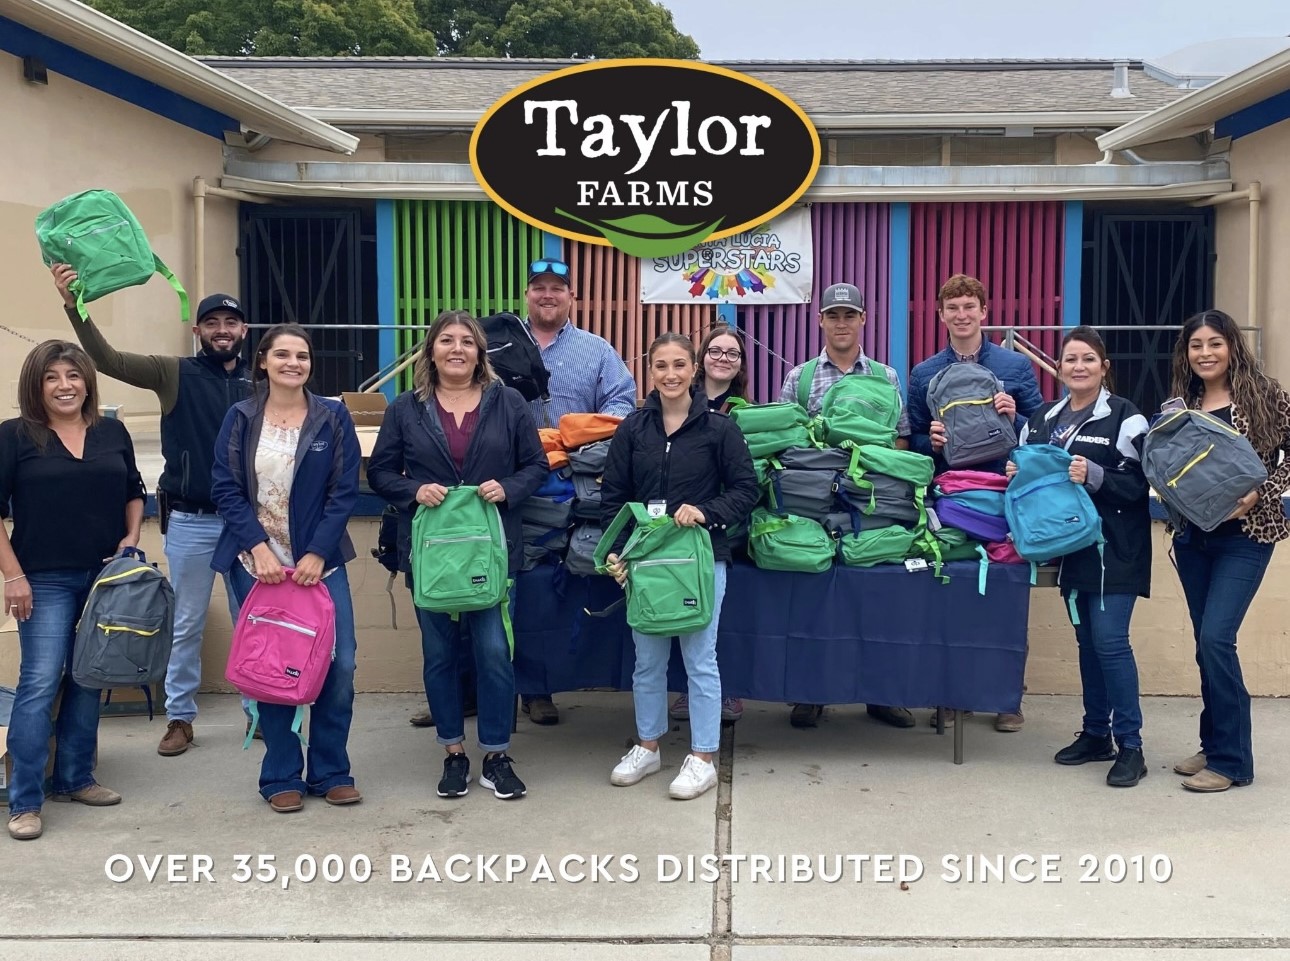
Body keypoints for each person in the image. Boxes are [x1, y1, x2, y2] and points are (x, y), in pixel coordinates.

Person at [51, 265, 254, 755]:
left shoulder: (263, 378)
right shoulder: (173, 373)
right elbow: (105, 358)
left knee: (257, 620)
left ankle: (262, 711)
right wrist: (74, 305)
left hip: (250, 526)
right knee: (184, 623)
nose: (222, 330)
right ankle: (180, 717)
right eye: (212, 322)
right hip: (190, 521)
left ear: (243, 330)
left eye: (231, 322)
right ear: (197, 330)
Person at [368, 311, 547, 800]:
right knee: (440, 655)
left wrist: (507, 487)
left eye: (467, 342)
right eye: (446, 340)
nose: (457, 349)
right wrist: (413, 489)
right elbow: (381, 472)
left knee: (493, 653)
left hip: (490, 551)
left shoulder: (507, 402)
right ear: (430, 351)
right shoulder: (405, 408)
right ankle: (453, 752)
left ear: (480, 352)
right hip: (430, 553)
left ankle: (495, 753)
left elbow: (536, 465)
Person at [210, 324, 363, 813]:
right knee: (272, 668)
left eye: (301, 355)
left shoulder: (332, 416)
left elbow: (345, 491)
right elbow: (226, 488)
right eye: (282, 354)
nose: (293, 363)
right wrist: (257, 548)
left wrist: (317, 552)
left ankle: (331, 769)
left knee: (339, 664)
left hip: (321, 566)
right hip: (258, 567)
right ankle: (280, 773)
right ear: (263, 361)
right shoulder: (241, 416)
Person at [601, 332, 759, 800]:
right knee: (647, 661)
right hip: (646, 562)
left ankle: (703, 757)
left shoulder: (720, 429)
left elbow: (746, 490)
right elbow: (613, 497)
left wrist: (706, 511)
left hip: (703, 558)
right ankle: (648, 747)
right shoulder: (632, 428)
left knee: (699, 659)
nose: (670, 375)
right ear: (650, 371)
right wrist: (618, 550)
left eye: (679, 365)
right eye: (661, 366)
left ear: (695, 370)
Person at [2, 341, 145, 840]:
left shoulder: (112, 432)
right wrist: (13, 575)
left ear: (87, 381)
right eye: (51, 377)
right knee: (40, 682)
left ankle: (76, 778)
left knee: (89, 676)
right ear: (35, 386)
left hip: (105, 578)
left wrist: (131, 540)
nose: (64, 385)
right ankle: (24, 800)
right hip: (43, 578)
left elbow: (134, 491)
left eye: (73, 375)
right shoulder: (14, 436)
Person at [1008, 326, 1151, 787]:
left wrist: (1096, 474)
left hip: (1117, 550)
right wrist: (1017, 470)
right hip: (1069, 549)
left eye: (1088, 358)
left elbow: (1142, 487)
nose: (1079, 366)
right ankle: (1095, 734)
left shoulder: (1128, 419)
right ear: (1059, 367)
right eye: (1070, 359)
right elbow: (1031, 483)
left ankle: (1131, 745)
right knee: (1087, 645)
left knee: (1111, 642)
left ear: (1104, 367)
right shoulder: (1043, 419)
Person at [907, 273, 1043, 733]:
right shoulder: (924, 373)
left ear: (984, 312)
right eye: (953, 308)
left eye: (970, 307)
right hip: (953, 497)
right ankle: (953, 696)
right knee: (953, 594)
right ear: (940, 315)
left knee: (1007, 596)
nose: (962, 315)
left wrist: (1015, 414)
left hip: (1005, 495)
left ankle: (1007, 697)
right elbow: (913, 441)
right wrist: (933, 439)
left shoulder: (1016, 366)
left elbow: (1040, 432)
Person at [776, 282, 913, 730]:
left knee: (876, 603)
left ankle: (880, 694)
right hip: (813, 507)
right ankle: (810, 694)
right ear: (820, 321)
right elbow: (784, 443)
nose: (841, 323)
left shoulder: (886, 377)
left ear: (863, 320)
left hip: (871, 507)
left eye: (849, 315)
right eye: (832, 315)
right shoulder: (798, 378)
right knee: (815, 603)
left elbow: (899, 439)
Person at [1165, 309, 1290, 793]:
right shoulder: (1182, 403)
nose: (1205, 353)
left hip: (1247, 536)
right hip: (1194, 538)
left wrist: (1263, 490)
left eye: (1214, 343)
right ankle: (1214, 743)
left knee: (1218, 638)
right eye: (1196, 345)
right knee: (1205, 644)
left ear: (1232, 346)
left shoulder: (1263, 394)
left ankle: (1234, 761)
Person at [669, 323, 750, 725]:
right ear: (701, 360)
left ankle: (724, 689)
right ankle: (686, 691)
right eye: (716, 351)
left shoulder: (748, 411)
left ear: (741, 365)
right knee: (683, 612)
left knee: (718, 619)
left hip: (726, 529)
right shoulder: (679, 400)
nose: (723, 359)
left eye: (732, 354)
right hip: (680, 530)